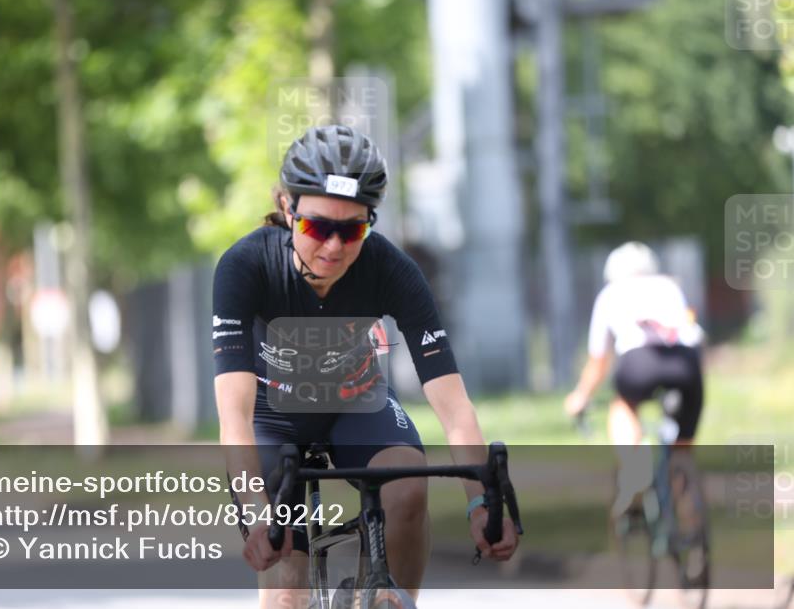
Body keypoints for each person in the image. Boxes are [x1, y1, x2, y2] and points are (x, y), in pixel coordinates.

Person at [212, 124, 518, 608]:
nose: (334, 247)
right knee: (285, 588)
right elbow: (233, 415)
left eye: (352, 229)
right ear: (288, 209)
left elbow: (454, 408)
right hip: (273, 419)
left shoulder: (391, 269)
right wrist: (255, 514)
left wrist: (480, 503)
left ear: (371, 220)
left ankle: (391, 599)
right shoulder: (245, 266)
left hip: (356, 403)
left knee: (408, 485)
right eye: (317, 227)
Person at [564, 241, 705, 514]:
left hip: (640, 360)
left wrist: (580, 397)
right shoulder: (669, 286)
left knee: (623, 407)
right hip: (687, 362)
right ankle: (690, 515)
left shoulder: (610, 294)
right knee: (682, 449)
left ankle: (635, 472)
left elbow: (599, 361)